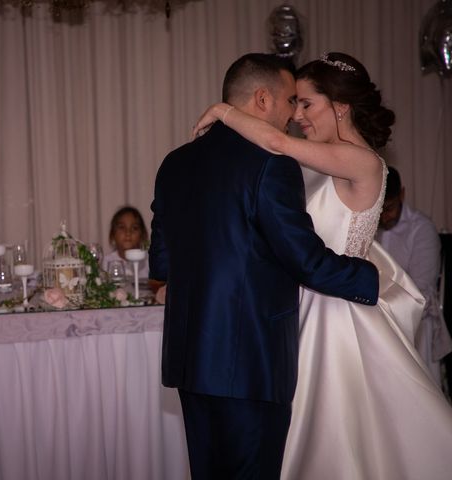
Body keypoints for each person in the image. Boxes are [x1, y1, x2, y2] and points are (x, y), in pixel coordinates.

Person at [193, 51, 452, 479]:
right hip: (298, 305)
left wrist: (223, 110)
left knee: (331, 432)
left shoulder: (363, 161)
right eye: (294, 103)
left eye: (306, 103)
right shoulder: (313, 157)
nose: (295, 115)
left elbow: (274, 141)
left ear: (341, 106)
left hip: (337, 314)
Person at [149, 53, 379, 480]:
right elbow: (305, 260)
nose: (293, 114)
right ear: (261, 99)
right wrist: (377, 280)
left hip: (190, 361)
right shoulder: (272, 165)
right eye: (290, 100)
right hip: (250, 360)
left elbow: (161, 262)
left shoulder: (173, 164)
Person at [376, 166, 452, 388]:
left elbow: (422, 291)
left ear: (402, 194)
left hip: (417, 321)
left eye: (388, 208)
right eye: (379, 209)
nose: (383, 216)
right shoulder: (371, 226)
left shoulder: (422, 229)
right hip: (379, 317)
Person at [102, 206, 149, 279]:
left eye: (134, 228)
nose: (128, 233)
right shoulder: (105, 263)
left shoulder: (149, 261)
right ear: (113, 234)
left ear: (142, 235)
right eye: (122, 227)